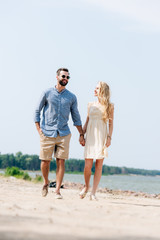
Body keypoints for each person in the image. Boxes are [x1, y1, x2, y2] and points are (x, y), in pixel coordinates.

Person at [34, 68, 85, 199]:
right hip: (47, 132)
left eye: (68, 77)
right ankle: (46, 182)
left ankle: (57, 191)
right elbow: (37, 111)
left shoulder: (72, 97)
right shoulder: (47, 93)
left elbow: (76, 116)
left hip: (64, 133)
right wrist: (39, 129)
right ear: (57, 77)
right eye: (63, 76)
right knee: (45, 161)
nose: (65, 79)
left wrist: (81, 134)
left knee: (61, 161)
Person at [79, 81, 114, 200]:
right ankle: (87, 186)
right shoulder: (90, 104)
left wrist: (109, 138)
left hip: (102, 137)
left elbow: (111, 124)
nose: (94, 90)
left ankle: (93, 192)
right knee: (87, 166)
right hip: (91, 138)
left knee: (99, 165)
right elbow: (87, 121)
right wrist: (81, 135)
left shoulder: (110, 106)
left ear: (102, 91)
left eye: (97, 88)